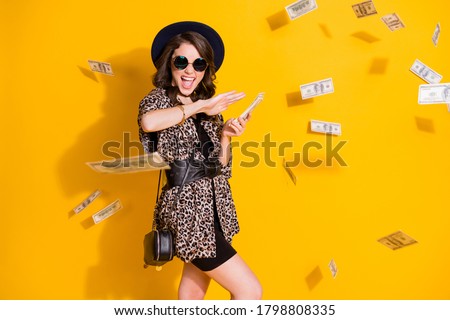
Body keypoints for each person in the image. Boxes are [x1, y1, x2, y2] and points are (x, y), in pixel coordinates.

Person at [138, 21, 262, 300]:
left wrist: (226, 136)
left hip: (215, 209)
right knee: (249, 291)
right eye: (182, 61)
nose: (189, 71)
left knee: (192, 297)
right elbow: (149, 122)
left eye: (199, 64)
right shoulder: (158, 100)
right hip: (187, 213)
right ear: (169, 63)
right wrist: (199, 106)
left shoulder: (210, 110)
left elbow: (221, 168)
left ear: (206, 69)